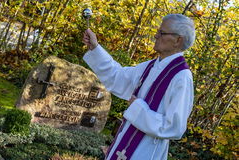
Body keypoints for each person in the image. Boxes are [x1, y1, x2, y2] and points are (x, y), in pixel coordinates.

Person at [82, 14, 195, 160]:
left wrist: (138, 108)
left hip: (146, 151)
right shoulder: (150, 66)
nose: (156, 36)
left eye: (161, 33)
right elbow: (118, 76)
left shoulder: (181, 77)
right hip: (123, 145)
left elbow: (174, 127)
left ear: (178, 40)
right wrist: (95, 48)